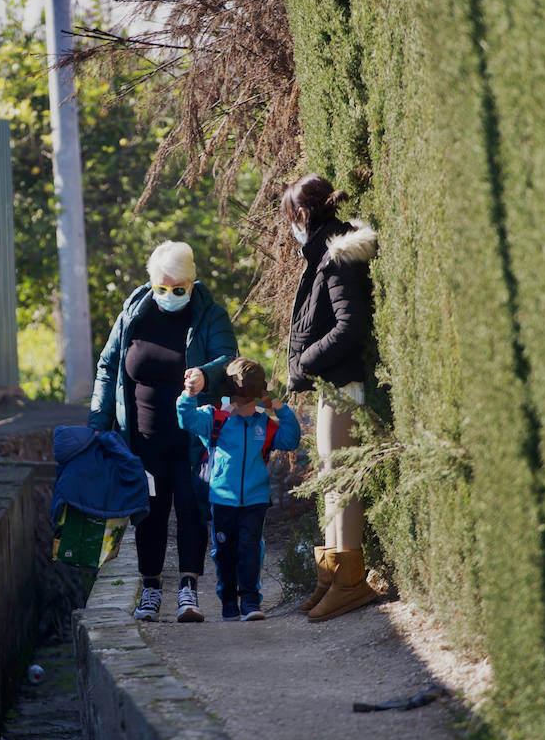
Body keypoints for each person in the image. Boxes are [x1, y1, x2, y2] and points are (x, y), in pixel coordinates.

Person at [89, 240, 237, 623]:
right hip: (142, 439)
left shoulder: (209, 316)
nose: (169, 296)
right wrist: (98, 422)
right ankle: (150, 590)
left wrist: (207, 375)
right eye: (161, 288)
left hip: (194, 440)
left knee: (191, 509)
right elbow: (108, 367)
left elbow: (229, 359)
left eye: (178, 289)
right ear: (151, 282)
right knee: (149, 514)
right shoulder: (134, 313)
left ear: (191, 282)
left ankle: (188, 591)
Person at [283, 175, 380, 623]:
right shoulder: (322, 253)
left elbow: (350, 325)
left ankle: (351, 583)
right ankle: (331, 577)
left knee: (339, 481)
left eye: (291, 220)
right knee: (330, 478)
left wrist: (305, 363)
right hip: (331, 382)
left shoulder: (337, 254)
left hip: (342, 382)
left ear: (302, 216)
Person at [177, 357, 301, 621]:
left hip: (255, 500)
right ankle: (229, 604)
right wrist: (188, 394)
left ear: (259, 398)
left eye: (251, 401)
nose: (245, 407)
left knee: (250, 548)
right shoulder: (214, 419)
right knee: (224, 553)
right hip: (222, 499)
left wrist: (277, 407)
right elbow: (186, 420)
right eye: (239, 401)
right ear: (228, 395)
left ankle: (250, 602)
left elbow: (290, 439)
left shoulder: (264, 424)